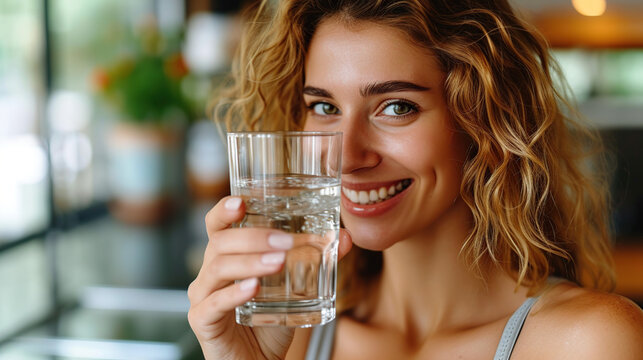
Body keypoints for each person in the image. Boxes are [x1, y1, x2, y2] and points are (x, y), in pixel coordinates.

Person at [187, 0, 643, 359]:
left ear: (482, 119)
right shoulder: (293, 339)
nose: (346, 157)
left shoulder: (588, 344)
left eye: (396, 107)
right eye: (324, 108)